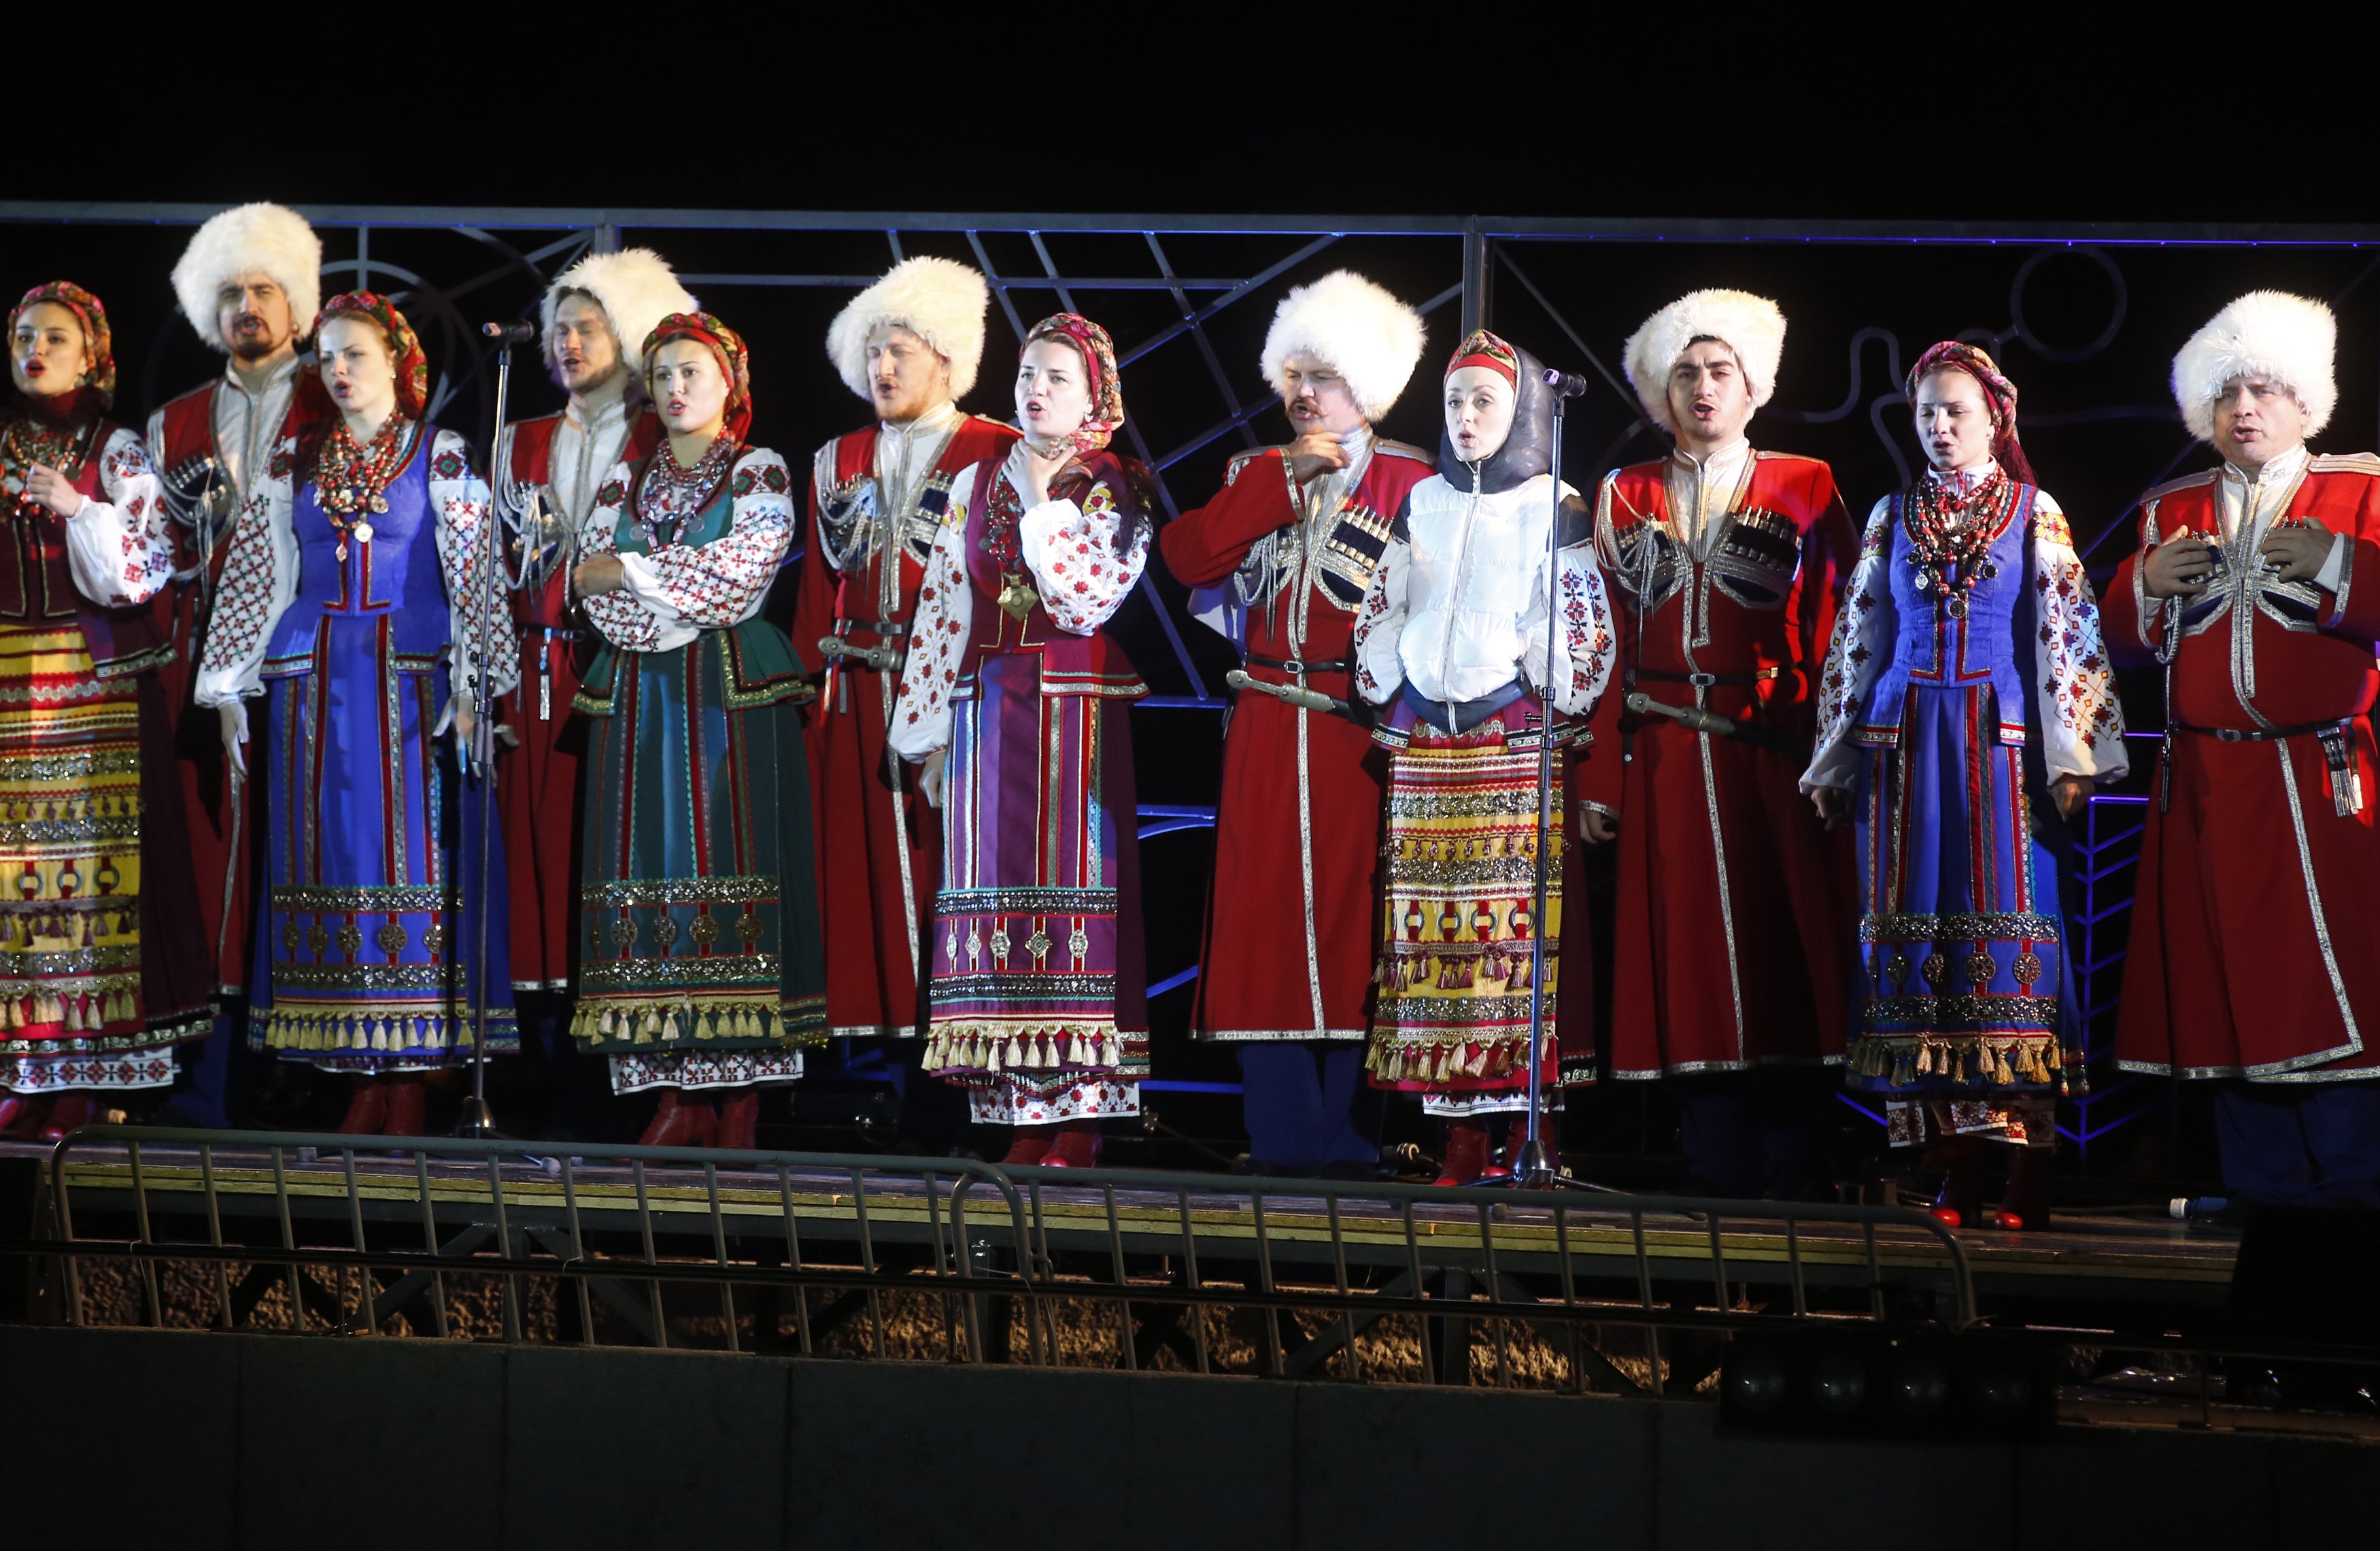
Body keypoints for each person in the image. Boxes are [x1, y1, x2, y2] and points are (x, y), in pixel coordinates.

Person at [1805, 342, 2126, 1228]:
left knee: (2015, 952)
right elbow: (1858, 636)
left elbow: (2069, 631)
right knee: (1919, 953)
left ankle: (2024, 1170)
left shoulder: (2034, 511)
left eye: (1957, 412)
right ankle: (1955, 1168)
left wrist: (2078, 757)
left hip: (1997, 745)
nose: (1942, 428)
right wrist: (1834, 756)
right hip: (1902, 747)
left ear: (1995, 418)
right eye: (1928, 414)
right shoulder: (1890, 513)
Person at [195, 292, 515, 1136]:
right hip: (315, 694)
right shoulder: (292, 460)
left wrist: (478, 686)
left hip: (408, 687)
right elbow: (260, 574)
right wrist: (229, 686)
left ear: (398, 365)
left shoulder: (440, 455)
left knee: (411, 866)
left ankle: (406, 1079)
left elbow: (479, 573)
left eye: (356, 356)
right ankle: (355, 1078)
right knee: (330, 866)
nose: (338, 371)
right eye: (328, 357)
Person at [2105, 292, 2380, 1211]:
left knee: (2333, 992)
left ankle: (2348, 1206)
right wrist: (2141, 583)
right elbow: (2107, 637)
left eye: (2265, 389)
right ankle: (2261, 1208)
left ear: (2308, 403)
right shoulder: (2171, 507)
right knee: (2227, 1001)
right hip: (2208, 790)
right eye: (2229, 394)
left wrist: (2341, 566)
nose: (2246, 409)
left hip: (2320, 785)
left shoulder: (2362, 489)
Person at [1157, 271, 1433, 1177]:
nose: (1305, 394)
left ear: (1369, 383)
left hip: (1366, 728)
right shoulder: (1252, 470)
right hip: (1271, 723)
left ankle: (1349, 1141)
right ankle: (1281, 1143)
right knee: (1262, 925)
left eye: (1324, 375)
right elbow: (1189, 554)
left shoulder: (1413, 480)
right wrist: (1281, 481)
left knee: (1363, 926)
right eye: (1294, 377)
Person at [1585, 290, 1858, 1199]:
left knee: (1788, 951)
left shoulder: (1805, 483)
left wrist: (1836, 754)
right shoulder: (1624, 492)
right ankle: (1712, 1168)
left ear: (1754, 386)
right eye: (1685, 374)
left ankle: (1796, 1166)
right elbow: (1603, 641)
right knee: (1689, 965)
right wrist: (1600, 779)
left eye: (1720, 372)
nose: (1703, 389)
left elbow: (1839, 629)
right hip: (1664, 757)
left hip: (1770, 756)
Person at [1351, 329, 1612, 1184]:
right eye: (1455, 402)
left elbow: (1581, 620)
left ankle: (1523, 1133)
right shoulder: (1420, 499)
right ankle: (1457, 1138)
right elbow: (1383, 601)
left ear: (1521, 412)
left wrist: (1544, 681)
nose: (1466, 418)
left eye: (1484, 403)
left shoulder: (1552, 502)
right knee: (1434, 945)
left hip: (1510, 738)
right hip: (1429, 741)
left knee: (1512, 952)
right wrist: (1395, 669)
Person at [891, 313, 1152, 1165]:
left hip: (1069, 710)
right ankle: (1015, 1110)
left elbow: (1083, 599)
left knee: (1072, 892)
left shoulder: (1112, 483)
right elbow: (944, 603)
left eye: (1056, 379)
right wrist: (926, 732)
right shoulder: (975, 479)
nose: (1035, 391)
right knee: (988, 900)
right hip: (982, 707)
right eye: (1027, 376)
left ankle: (1074, 1116)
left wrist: (1044, 501)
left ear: (1094, 396)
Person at [570, 311, 826, 1148]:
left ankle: (743, 1093)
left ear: (730, 386)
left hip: (724, 696)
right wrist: (654, 599)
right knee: (642, 861)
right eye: (665, 376)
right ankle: (675, 1088)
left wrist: (639, 574)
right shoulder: (623, 479)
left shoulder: (757, 470)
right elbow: (588, 581)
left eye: (693, 374)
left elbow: (743, 573)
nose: (677, 390)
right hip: (643, 690)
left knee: (732, 855)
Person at [792, 259, 1017, 1094]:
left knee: (942, 879)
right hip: (850, 698)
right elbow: (818, 596)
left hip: (953, 703)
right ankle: (872, 1075)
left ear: (948, 360)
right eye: (873, 351)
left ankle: (954, 1076)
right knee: (857, 890)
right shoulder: (837, 457)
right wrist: (806, 714)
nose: (882, 367)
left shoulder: (995, 450)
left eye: (901, 351)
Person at [0, 282, 213, 1138]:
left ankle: (82, 1076)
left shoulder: (115, 449)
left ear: (92, 354)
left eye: (54, 336)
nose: (35, 349)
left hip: (89, 685)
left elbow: (144, 566)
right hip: (10, 683)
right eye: (22, 336)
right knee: (13, 885)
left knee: (89, 883)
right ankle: (24, 1068)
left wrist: (78, 507)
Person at [494, 249, 694, 1140]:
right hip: (527, 676)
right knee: (527, 864)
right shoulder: (517, 439)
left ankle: (619, 1083)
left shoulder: (666, 441)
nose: (568, 343)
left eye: (588, 327)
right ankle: (532, 1075)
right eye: (559, 329)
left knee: (603, 865)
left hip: (620, 676)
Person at [149, 203, 325, 1015]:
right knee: (201, 837)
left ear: (297, 303)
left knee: (301, 835)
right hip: (196, 655)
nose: (247, 306)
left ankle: (300, 1037)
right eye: (231, 293)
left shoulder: (336, 398)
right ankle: (205, 1035)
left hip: (307, 647)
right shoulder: (171, 422)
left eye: (264, 288)